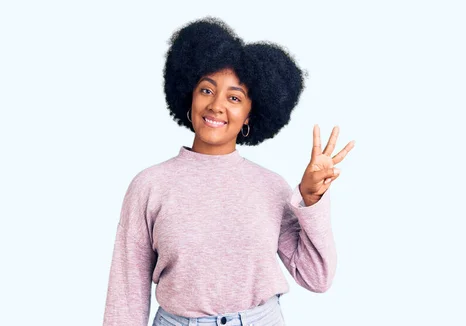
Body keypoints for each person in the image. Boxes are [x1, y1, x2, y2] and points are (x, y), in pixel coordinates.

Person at [102, 16, 354, 326]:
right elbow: (126, 293)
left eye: (234, 98)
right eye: (207, 91)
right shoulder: (150, 186)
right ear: (189, 96)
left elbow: (317, 277)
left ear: (250, 114)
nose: (217, 106)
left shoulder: (271, 187)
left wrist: (311, 199)